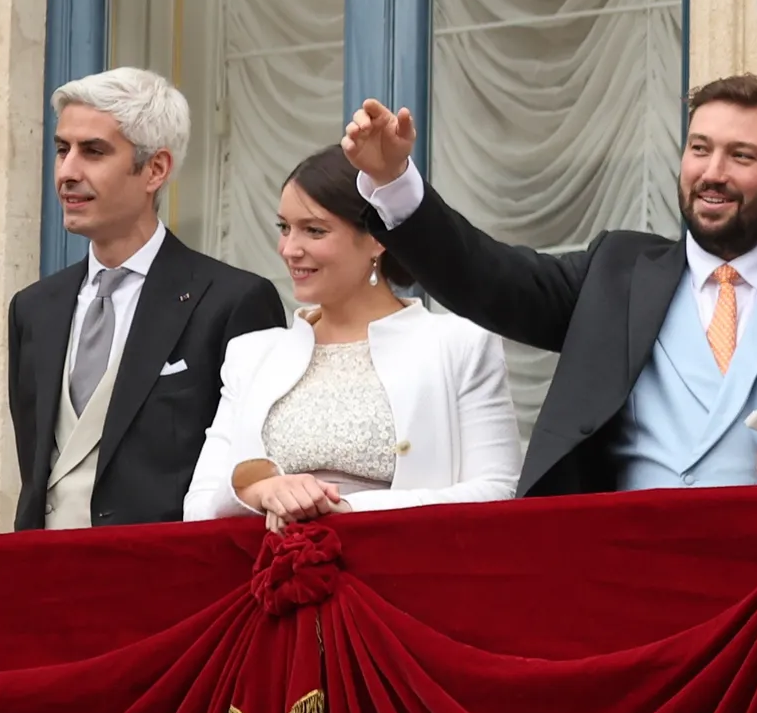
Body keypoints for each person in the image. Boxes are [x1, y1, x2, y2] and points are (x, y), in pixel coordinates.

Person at [342, 75, 757, 494]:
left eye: (742, 156)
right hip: (623, 566)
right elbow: (487, 278)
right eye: (700, 148)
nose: (713, 173)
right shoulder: (617, 269)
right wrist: (394, 182)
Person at [6, 68, 280, 530]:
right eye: (61, 149)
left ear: (155, 169)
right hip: (43, 581)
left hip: (168, 587)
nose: (68, 171)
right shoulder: (33, 308)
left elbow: (251, 472)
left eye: (93, 151)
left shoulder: (234, 302)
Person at [185, 148, 518, 522]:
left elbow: (497, 491)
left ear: (377, 238)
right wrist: (261, 491)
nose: (289, 249)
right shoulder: (251, 354)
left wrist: (340, 509)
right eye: (284, 227)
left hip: (407, 571)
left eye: (314, 230)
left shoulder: (460, 344)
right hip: (269, 574)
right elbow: (198, 506)